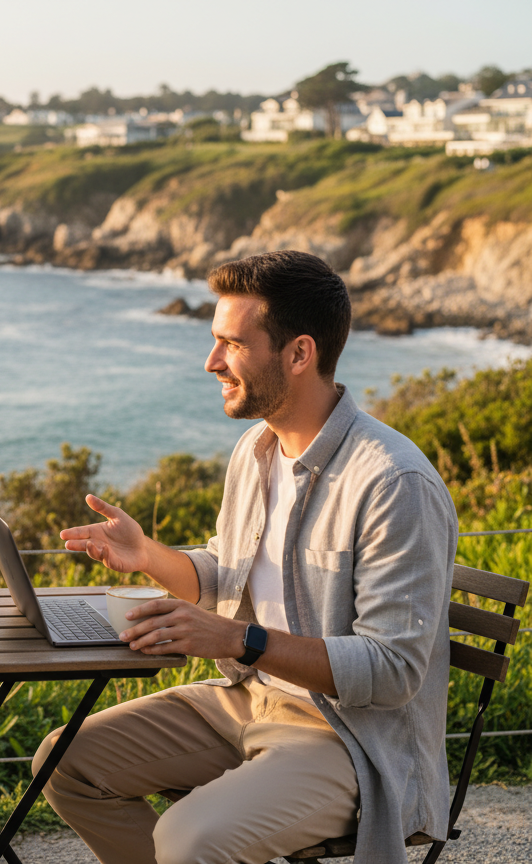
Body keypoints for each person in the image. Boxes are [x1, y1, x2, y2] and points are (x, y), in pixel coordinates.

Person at [38, 251, 457, 864]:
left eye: (232, 345)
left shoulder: (393, 482)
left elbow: (392, 670)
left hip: (348, 737)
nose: (212, 363)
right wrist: (148, 554)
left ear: (298, 354)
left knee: (188, 839)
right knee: (65, 759)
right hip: (248, 699)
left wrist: (241, 640)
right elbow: (226, 574)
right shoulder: (255, 452)